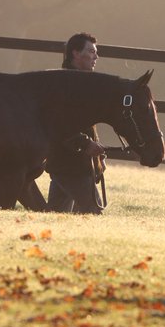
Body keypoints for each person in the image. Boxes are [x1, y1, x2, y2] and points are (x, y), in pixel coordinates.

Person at [45, 32, 108, 214]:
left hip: (68, 163)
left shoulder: (80, 83)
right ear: (75, 53)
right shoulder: (65, 85)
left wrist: (98, 157)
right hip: (72, 166)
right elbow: (59, 124)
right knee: (93, 212)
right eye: (90, 51)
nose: (96, 56)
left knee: (58, 216)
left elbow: (84, 125)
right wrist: (86, 144)